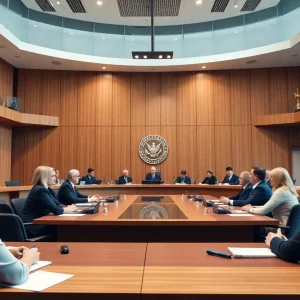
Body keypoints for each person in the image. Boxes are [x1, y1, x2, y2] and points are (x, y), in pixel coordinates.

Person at [21, 166, 76, 238]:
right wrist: (68, 209)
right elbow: (56, 211)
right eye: (52, 176)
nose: (55, 178)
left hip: (39, 222)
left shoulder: (47, 189)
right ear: (45, 177)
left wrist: (68, 208)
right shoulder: (40, 190)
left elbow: (57, 204)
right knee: (64, 228)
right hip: (32, 225)